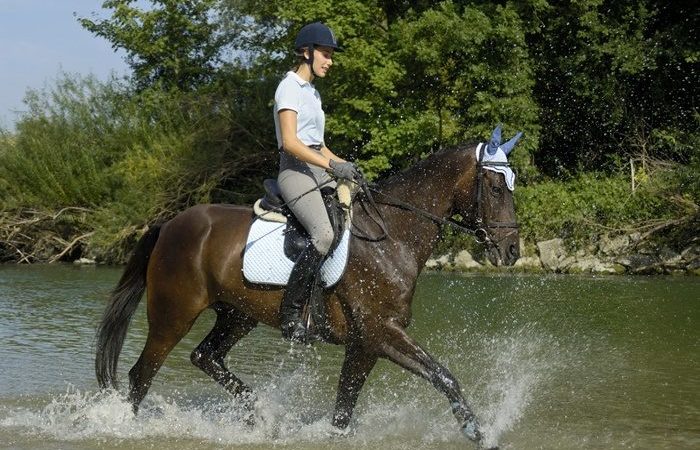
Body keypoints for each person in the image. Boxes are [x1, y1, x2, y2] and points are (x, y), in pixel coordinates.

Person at [274, 22, 361, 342]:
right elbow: (291, 143)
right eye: (325, 54)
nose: (330, 60)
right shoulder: (289, 88)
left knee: (356, 217)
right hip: (295, 171)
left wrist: (344, 166)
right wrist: (330, 166)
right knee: (323, 235)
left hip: (317, 167)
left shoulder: (312, 92)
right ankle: (291, 315)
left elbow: (319, 144)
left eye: (330, 55)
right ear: (307, 53)